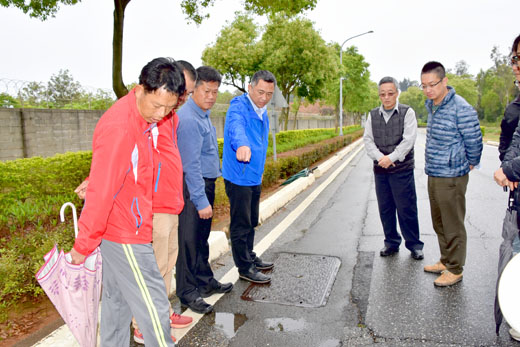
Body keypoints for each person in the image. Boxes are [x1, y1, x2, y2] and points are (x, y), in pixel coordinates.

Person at [74, 60, 197, 344]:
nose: (162, 114)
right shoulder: (122, 125)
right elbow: (104, 190)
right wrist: (84, 244)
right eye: (157, 106)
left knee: (118, 303)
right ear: (141, 89)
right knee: (154, 303)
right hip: (125, 230)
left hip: (129, 223)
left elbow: (125, 169)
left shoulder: (142, 118)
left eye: (169, 108)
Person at [176, 66, 233, 314]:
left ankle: (204, 281)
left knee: (200, 240)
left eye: (215, 92)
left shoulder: (202, 114)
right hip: (192, 188)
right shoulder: (189, 119)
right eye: (207, 91)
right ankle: (187, 292)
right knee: (188, 242)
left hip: (204, 184)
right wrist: (200, 200)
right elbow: (191, 165)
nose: (211, 96)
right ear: (194, 88)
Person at [421, 61, 483, 287]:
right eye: (424, 86)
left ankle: (455, 269)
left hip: (452, 176)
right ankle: (446, 260)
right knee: (439, 222)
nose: (428, 90)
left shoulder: (460, 107)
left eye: (432, 84)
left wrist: (471, 163)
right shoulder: (433, 106)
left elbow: (474, 139)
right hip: (435, 173)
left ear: (444, 81)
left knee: (453, 223)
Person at [222, 70, 276, 284]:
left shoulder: (262, 111)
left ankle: (250, 256)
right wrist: (242, 144)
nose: (264, 98)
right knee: (241, 223)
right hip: (238, 176)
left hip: (254, 176)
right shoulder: (238, 106)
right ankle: (244, 267)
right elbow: (236, 129)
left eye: (269, 94)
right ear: (250, 87)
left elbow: (261, 144)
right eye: (260, 92)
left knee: (251, 220)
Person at [363, 76, 424, 260]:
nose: (387, 97)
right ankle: (391, 242)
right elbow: (368, 140)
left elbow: (409, 140)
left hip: (402, 170)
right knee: (386, 208)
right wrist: (381, 158)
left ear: (397, 93)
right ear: (379, 95)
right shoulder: (372, 115)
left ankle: (414, 245)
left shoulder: (408, 112)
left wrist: (391, 157)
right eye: (383, 94)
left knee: (407, 208)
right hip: (381, 170)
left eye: (390, 93)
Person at [492, 33, 520, 343]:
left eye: (519, 59)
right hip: (517, 197)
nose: (515, 65)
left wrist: (510, 168)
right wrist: (508, 166)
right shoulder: (515, 105)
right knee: (512, 253)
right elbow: (509, 143)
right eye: (513, 58)